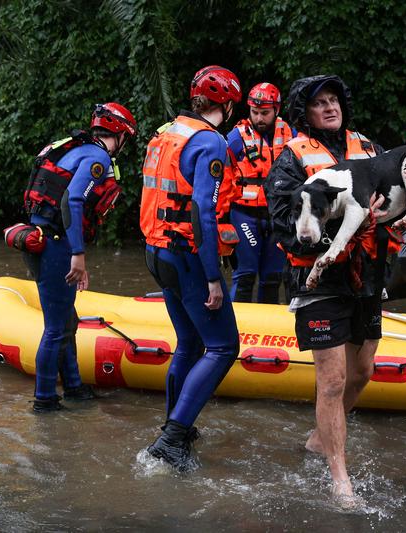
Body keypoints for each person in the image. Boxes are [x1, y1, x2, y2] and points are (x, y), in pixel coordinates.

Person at [265, 75, 406, 505]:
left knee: (362, 373)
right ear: (305, 113)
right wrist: (338, 235)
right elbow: (284, 224)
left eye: (334, 101)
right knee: (334, 379)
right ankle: (341, 481)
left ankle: (317, 442)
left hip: (369, 276)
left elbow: (400, 199)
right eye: (319, 103)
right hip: (319, 279)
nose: (329, 108)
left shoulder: (371, 149)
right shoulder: (291, 159)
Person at [140, 65, 242, 471]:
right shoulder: (210, 143)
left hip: (157, 249)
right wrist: (214, 277)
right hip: (186, 255)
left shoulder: (167, 133)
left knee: (189, 344)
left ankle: (175, 425)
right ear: (229, 105)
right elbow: (202, 209)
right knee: (222, 347)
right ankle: (172, 437)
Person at [23, 102, 137, 413]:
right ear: (121, 135)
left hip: (42, 239)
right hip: (57, 245)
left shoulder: (72, 147)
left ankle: (73, 387)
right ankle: (44, 400)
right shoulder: (97, 157)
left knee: (66, 320)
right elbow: (72, 200)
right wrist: (78, 255)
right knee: (56, 328)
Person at [225, 83, 296, 303]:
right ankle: (237, 329)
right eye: (254, 113)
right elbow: (222, 179)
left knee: (272, 277)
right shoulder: (236, 138)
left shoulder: (292, 135)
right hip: (244, 214)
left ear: (277, 109)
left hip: (278, 215)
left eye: (265, 113)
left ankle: (269, 330)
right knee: (245, 275)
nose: (259, 118)